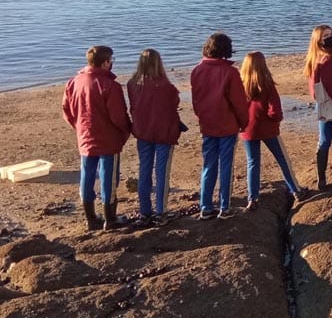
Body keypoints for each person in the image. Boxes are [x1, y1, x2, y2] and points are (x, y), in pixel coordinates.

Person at [62, 45, 132, 232]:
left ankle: (91, 218)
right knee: (109, 177)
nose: (112, 64)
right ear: (105, 62)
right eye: (111, 60)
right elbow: (118, 115)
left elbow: (67, 110)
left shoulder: (74, 82)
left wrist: (78, 127)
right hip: (108, 139)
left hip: (85, 136)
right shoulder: (109, 85)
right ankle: (110, 219)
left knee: (87, 174)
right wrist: (127, 130)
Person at [191, 32, 249, 220]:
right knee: (226, 165)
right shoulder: (229, 72)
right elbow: (239, 102)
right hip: (226, 125)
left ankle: (206, 206)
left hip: (208, 124)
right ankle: (225, 207)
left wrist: (201, 117)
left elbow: (196, 101)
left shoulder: (197, 70)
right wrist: (243, 122)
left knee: (209, 165)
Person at [240, 51, 305, 208]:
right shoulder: (267, 85)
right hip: (268, 129)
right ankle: (296, 190)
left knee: (252, 162)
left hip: (248, 129)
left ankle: (252, 198)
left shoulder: (241, 86)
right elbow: (274, 111)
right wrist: (276, 119)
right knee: (282, 159)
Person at [127, 49, 181, 226]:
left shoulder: (132, 84)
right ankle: (160, 211)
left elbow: (134, 107)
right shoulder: (165, 86)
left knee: (144, 170)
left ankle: (145, 211)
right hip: (163, 133)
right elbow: (174, 103)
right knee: (161, 172)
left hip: (143, 132)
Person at [304, 25, 332, 189]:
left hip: (322, 106)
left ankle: (321, 179)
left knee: (324, 141)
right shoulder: (327, 61)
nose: (330, 38)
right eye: (326, 36)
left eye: (331, 34)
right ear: (319, 41)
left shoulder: (314, 60)